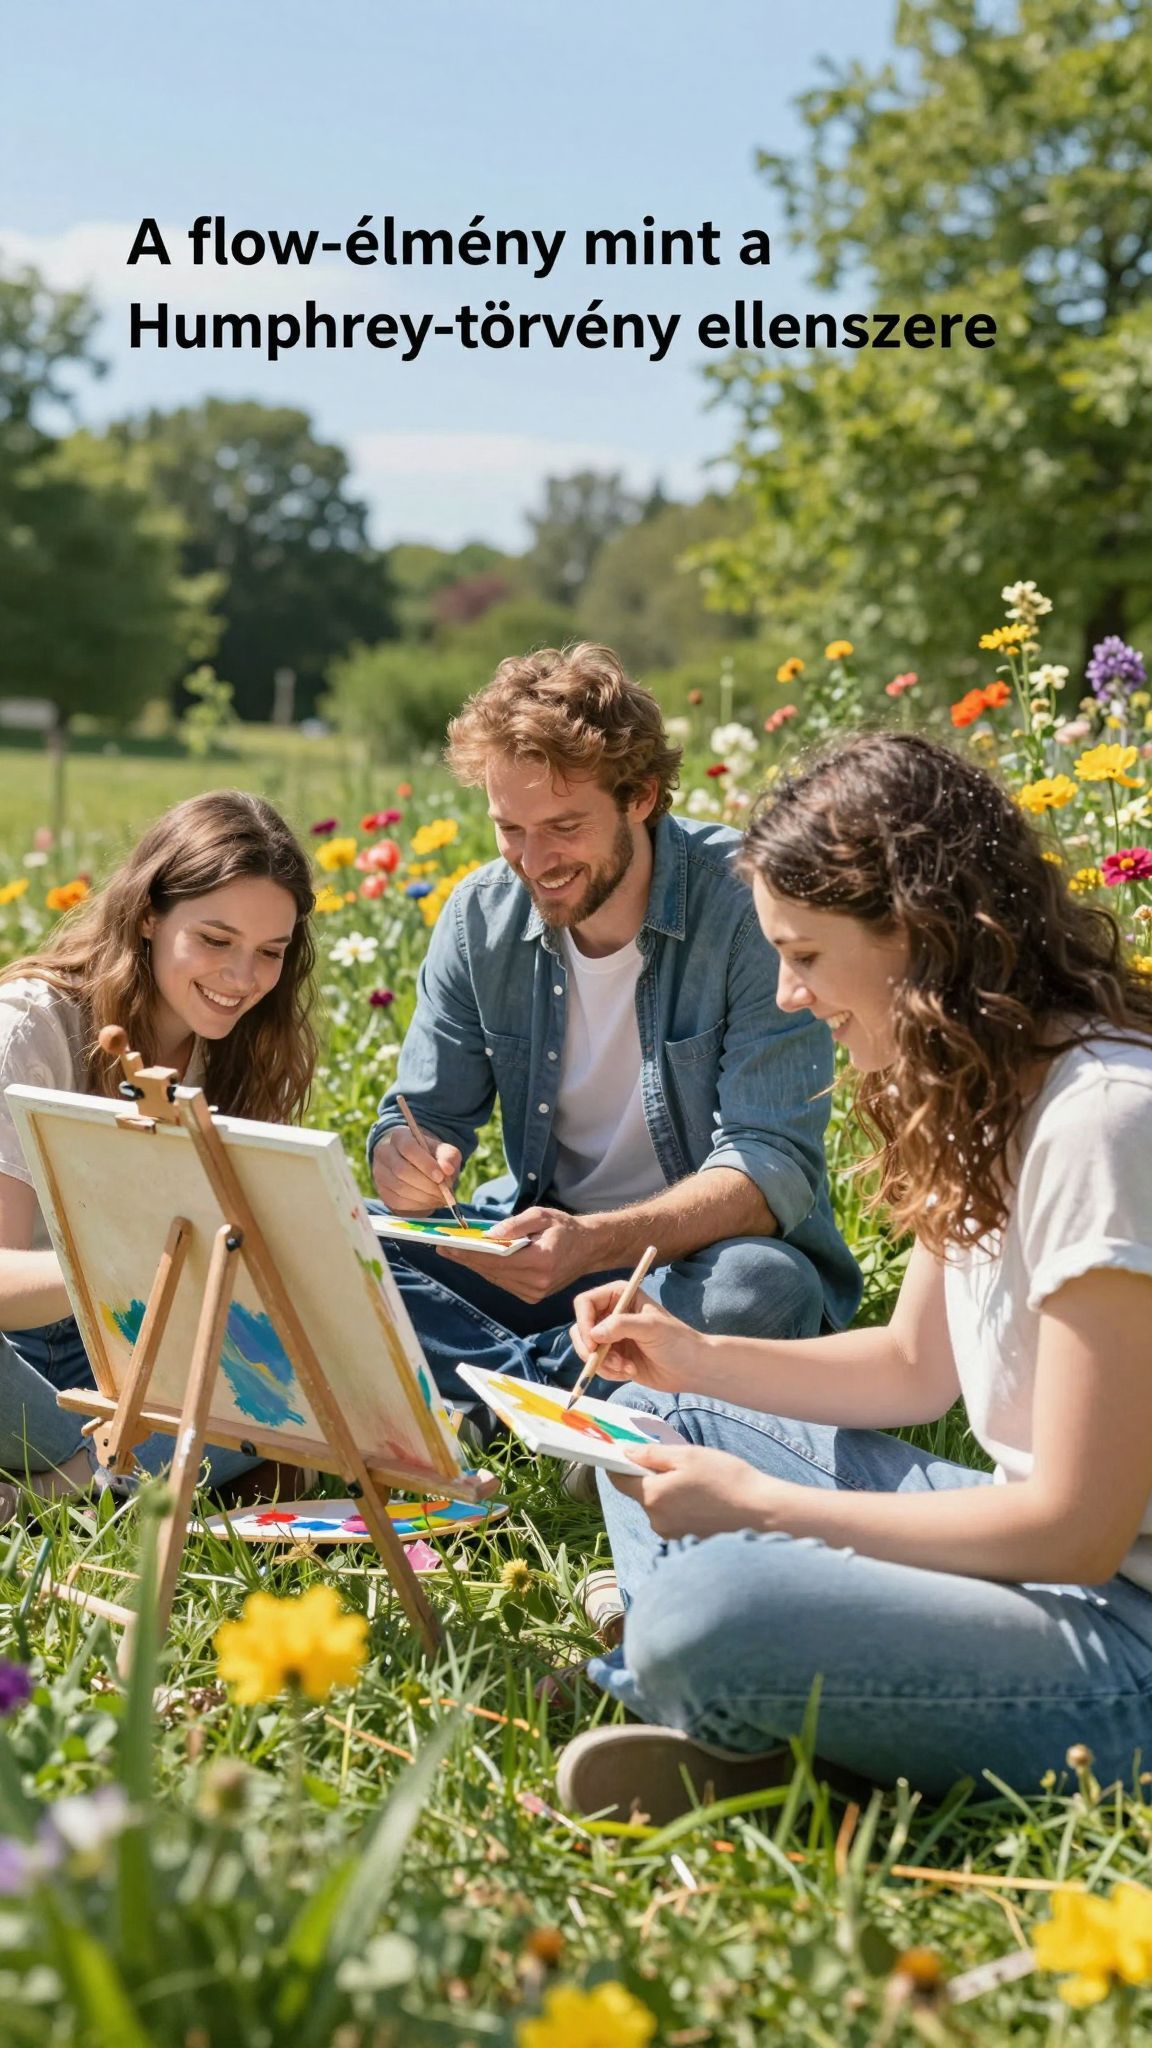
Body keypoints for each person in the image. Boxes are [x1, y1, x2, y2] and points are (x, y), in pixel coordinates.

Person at [556, 730, 1152, 1820]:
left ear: (921, 936)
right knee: (656, 1409)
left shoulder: (1101, 1123)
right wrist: (696, 1352)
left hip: (1122, 1641)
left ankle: (694, 1673)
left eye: (808, 954)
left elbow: (1079, 1527)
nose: (786, 992)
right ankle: (758, 1706)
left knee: (713, 1601)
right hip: (1036, 1564)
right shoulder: (984, 1088)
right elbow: (915, 1368)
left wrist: (770, 1509)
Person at [368, 644, 860, 1407]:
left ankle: (479, 1390)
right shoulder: (478, 917)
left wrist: (596, 1243)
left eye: (563, 825)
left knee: (761, 1290)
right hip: (534, 1253)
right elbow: (422, 1117)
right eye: (510, 829)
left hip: (685, 1267)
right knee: (334, 1236)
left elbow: (770, 1167)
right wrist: (403, 1161)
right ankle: (570, 1391)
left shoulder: (747, 908)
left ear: (641, 795)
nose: (534, 861)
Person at [0, 790, 317, 1520]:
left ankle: (66, 1486)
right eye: (215, 939)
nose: (242, 978)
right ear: (149, 914)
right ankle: (110, 1475)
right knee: (270, 1439)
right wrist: (136, 1262)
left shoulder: (241, 1055)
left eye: (270, 953)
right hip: (19, 1357)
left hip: (126, 1362)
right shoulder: (35, 1026)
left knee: (311, 1409)